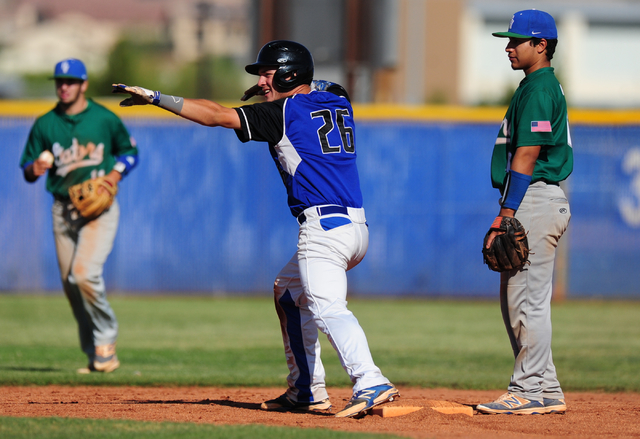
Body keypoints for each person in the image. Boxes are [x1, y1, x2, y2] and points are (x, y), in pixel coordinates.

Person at [112, 40, 398, 418]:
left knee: (328, 308)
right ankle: (305, 390)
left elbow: (215, 115)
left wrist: (156, 97)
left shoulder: (281, 113)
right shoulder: (336, 99)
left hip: (323, 228)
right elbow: (321, 85)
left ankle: (370, 380)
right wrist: (268, 89)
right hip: (356, 227)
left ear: (289, 74)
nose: (262, 80)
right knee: (286, 292)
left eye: (267, 72)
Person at [477, 10, 573, 415]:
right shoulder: (535, 85)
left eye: (517, 41)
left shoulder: (538, 88)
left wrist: (506, 212)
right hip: (532, 199)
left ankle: (529, 389)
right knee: (519, 300)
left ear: (542, 45)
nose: (509, 47)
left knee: (527, 303)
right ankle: (545, 387)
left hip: (532, 199)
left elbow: (528, 153)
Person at [20, 58, 139, 374]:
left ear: (84, 84)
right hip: (62, 210)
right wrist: (35, 168)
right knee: (71, 285)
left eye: (71, 81)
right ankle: (96, 354)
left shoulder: (103, 119)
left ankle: (106, 341)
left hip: (99, 210)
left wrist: (113, 177)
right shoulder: (45, 124)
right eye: (60, 81)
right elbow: (28, 170)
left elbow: (129, 153)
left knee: (83, 274)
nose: (64, 86)